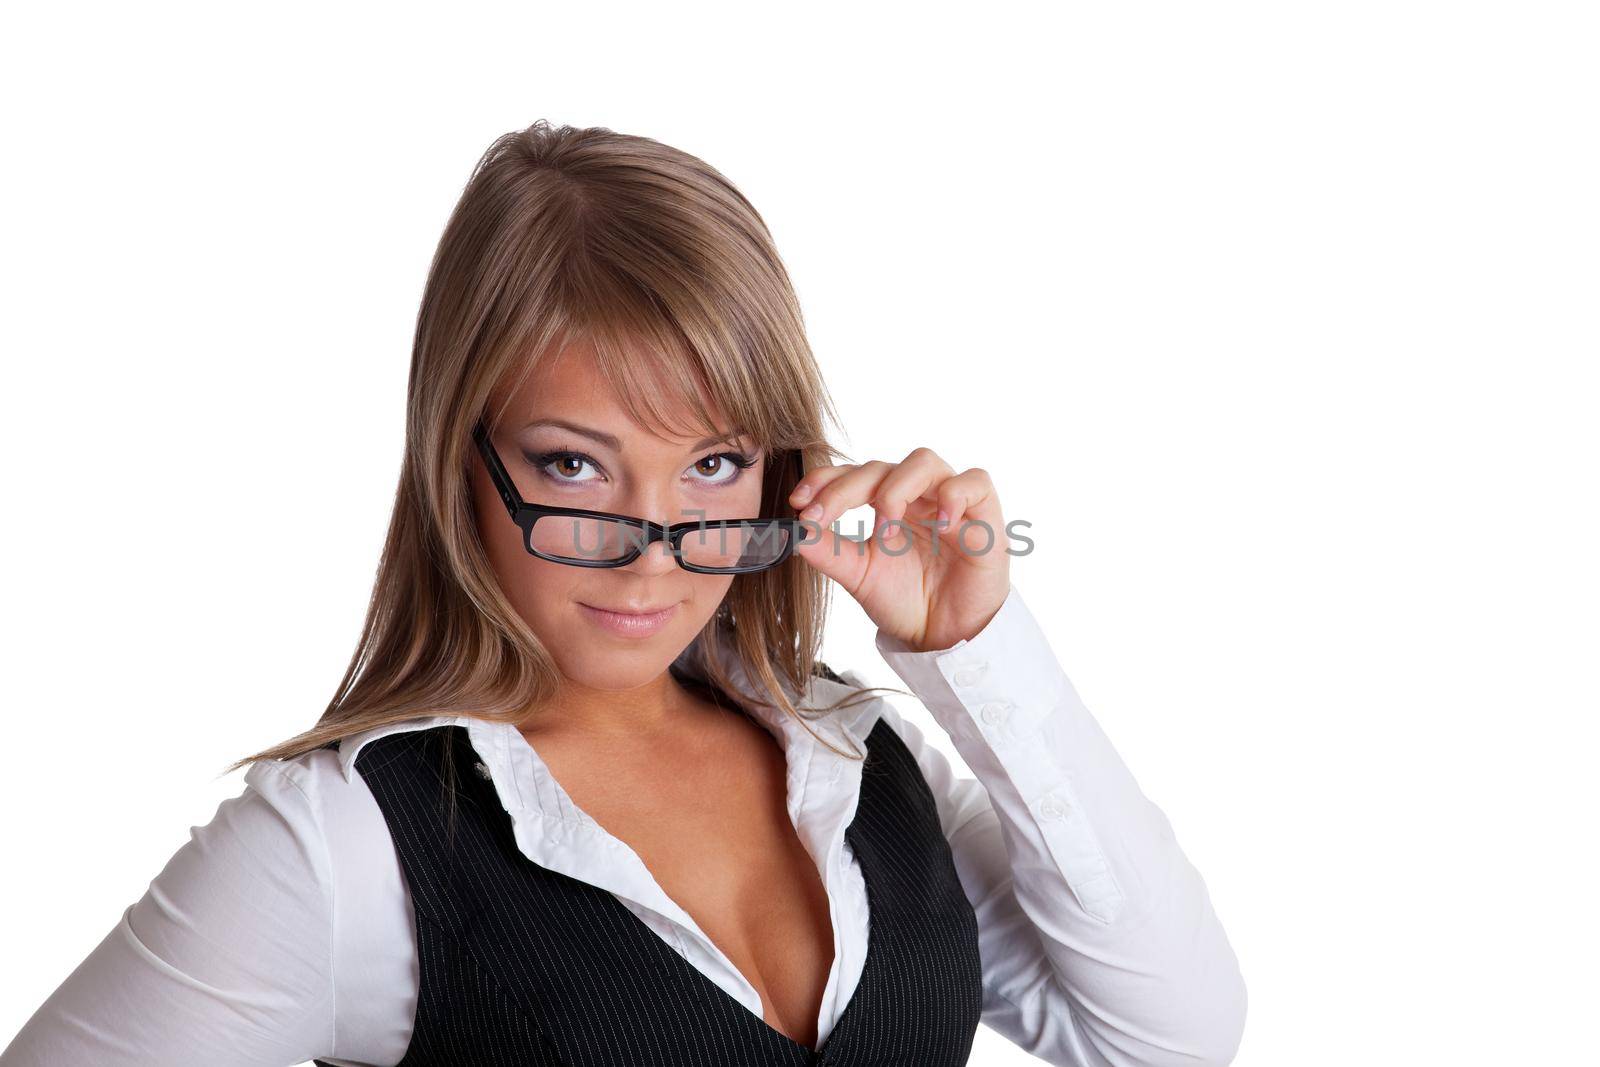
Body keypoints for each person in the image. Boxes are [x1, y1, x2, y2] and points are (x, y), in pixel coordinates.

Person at [1, 121, 1246, 1067]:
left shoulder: (860, 759)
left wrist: (974, 647)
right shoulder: (342, 843)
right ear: (462, 465)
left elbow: (1170, 1032)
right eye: (573, 464)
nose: (651, 552)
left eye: (710, 464)